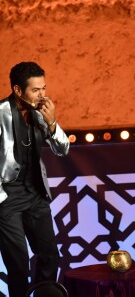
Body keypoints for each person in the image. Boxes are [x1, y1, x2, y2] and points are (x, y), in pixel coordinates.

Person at [0, 62, 70, 297]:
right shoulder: (1, 114)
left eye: (44, 88)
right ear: (18, 90)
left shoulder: (40, 113)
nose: (42, 95)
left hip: (36, 193)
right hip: (7, 196)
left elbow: (63, 150)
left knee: (49, 255)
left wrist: (51, 122)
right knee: (18, 262)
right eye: (35, 90)